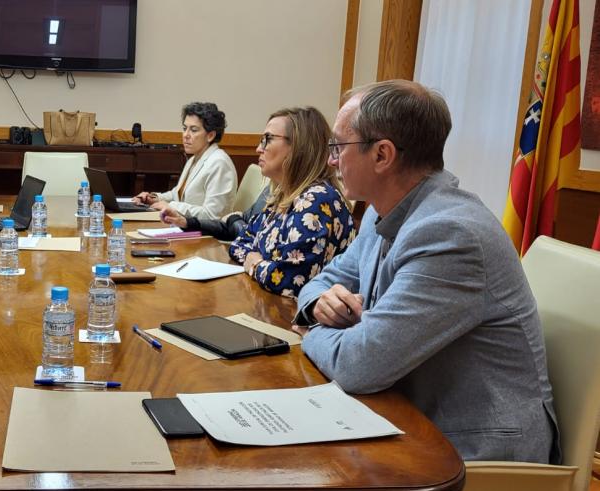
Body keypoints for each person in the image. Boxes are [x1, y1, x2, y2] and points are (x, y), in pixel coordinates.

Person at [293, 80, 559, 463]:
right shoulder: (379, 210)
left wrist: (310, 330)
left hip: (476, 450)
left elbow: (360, 364)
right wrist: (319, 302)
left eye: (338, 147)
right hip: (406, 412)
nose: (331, 160)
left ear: (382, 155)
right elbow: (323, 279)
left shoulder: (451, 234)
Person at [164, 107, 355, 297]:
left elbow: (288, 281)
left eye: (268, 139)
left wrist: (255, 263)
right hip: (268, 303)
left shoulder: (317, 200)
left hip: (297, 320)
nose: (258, 148)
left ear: (298, 147)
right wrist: (257, 259)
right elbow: (240, 242)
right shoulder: (282, 195)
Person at [132, 102, 237, 219]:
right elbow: (177, 194)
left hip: (207, 234)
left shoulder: (219, 163)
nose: (186, 135)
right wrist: (154, 198)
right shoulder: (194, 158)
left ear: (210, 135)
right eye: (184, 128)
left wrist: (170, 206)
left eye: (194, 130)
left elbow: (212, 215)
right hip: (186, 227)